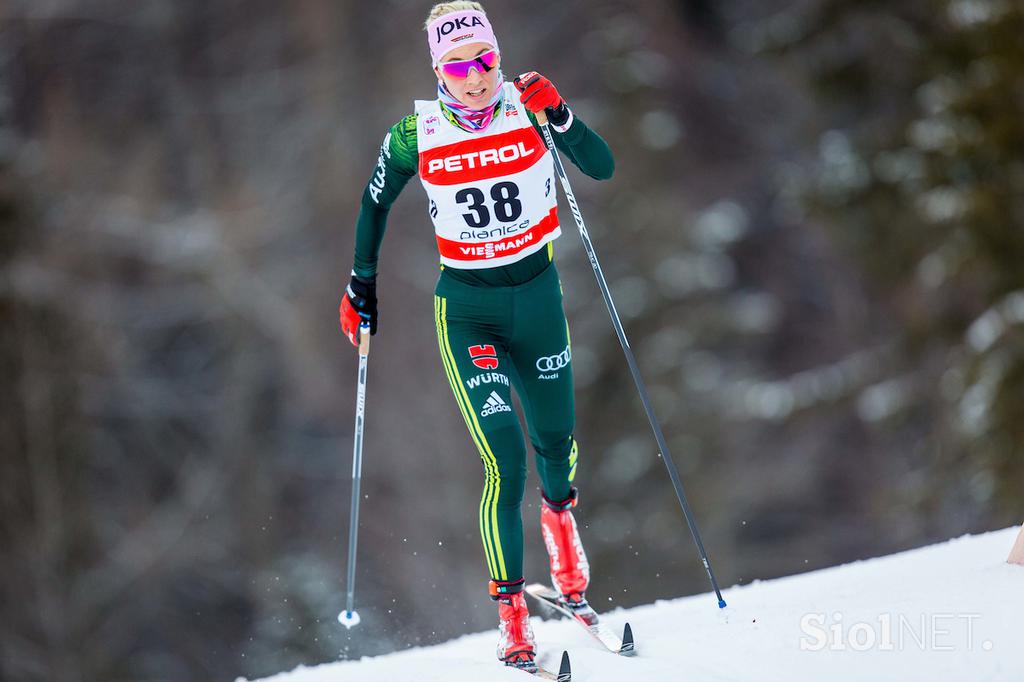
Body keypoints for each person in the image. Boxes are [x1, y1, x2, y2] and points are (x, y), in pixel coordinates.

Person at [339, 1, 614, 671]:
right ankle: (513, 620)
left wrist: (564, 116)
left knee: (556, 448)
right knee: (505, 462)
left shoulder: (530, 104)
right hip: (468, 311)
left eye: (485, 60)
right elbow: (376, 201)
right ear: (440, 68)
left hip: (538, 298)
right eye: (460, 66)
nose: (475, 77)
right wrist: (360, 284)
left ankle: (561, 536)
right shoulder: (416, 132)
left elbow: (601, 168)